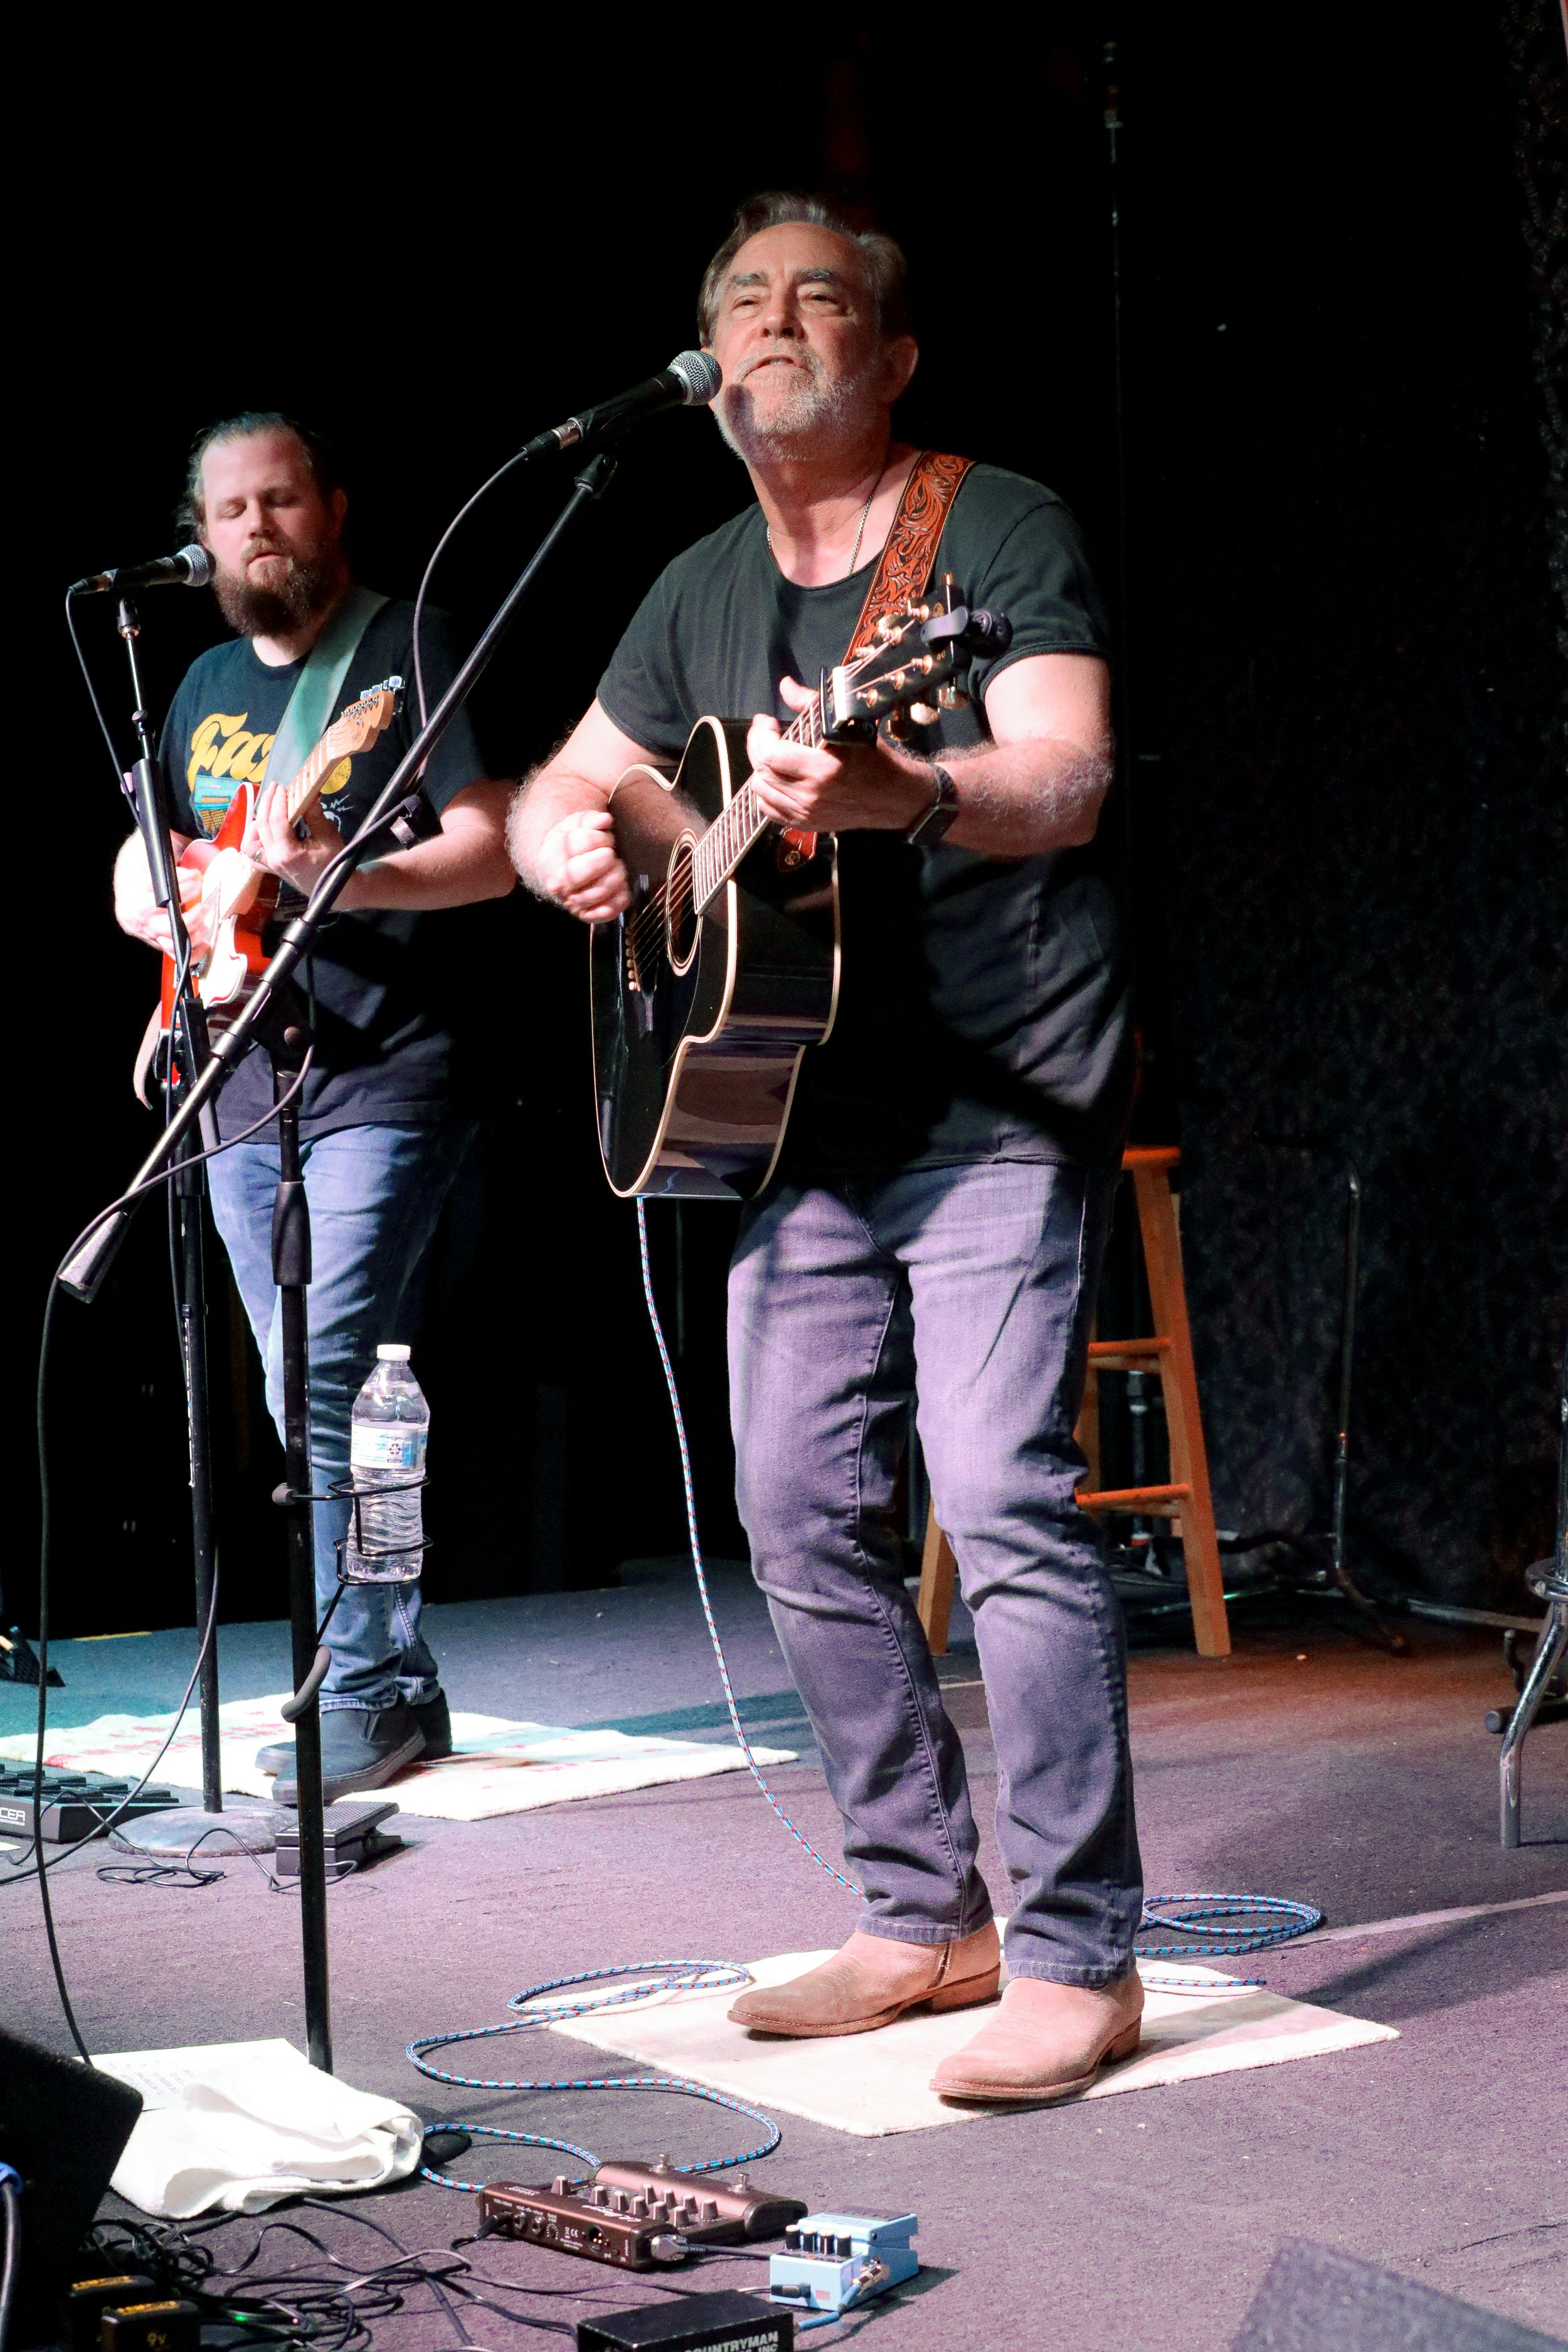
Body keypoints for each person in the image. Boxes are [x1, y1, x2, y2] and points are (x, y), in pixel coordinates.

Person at [508, 191, 1143, 2105]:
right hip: (794, 1112)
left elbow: (1065, 768)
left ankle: (1075, 1951)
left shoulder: (993, 525)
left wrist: (909, 784)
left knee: (1000, 1495)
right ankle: (916, 1907)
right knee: (794, 1512)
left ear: (892, 353)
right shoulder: (695, 577)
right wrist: (573, 839)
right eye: (735, 302)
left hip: (996, 1094)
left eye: (813, 298)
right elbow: (568, 777)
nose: (768, 323)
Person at [114, 413, 516, 1802]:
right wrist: (145, 901)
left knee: (328, 1373)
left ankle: (362, 1684)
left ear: (331, 508)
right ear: (204, 533)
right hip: (232, 1076)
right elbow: (155, 856)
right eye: (229, 510)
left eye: (279, 500)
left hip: (384, 1072)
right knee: (321, 1396)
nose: (256, 528)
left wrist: (344, 867)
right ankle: (397, 1673)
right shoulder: (202, 680)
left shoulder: (404, 651)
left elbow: (491, 846)